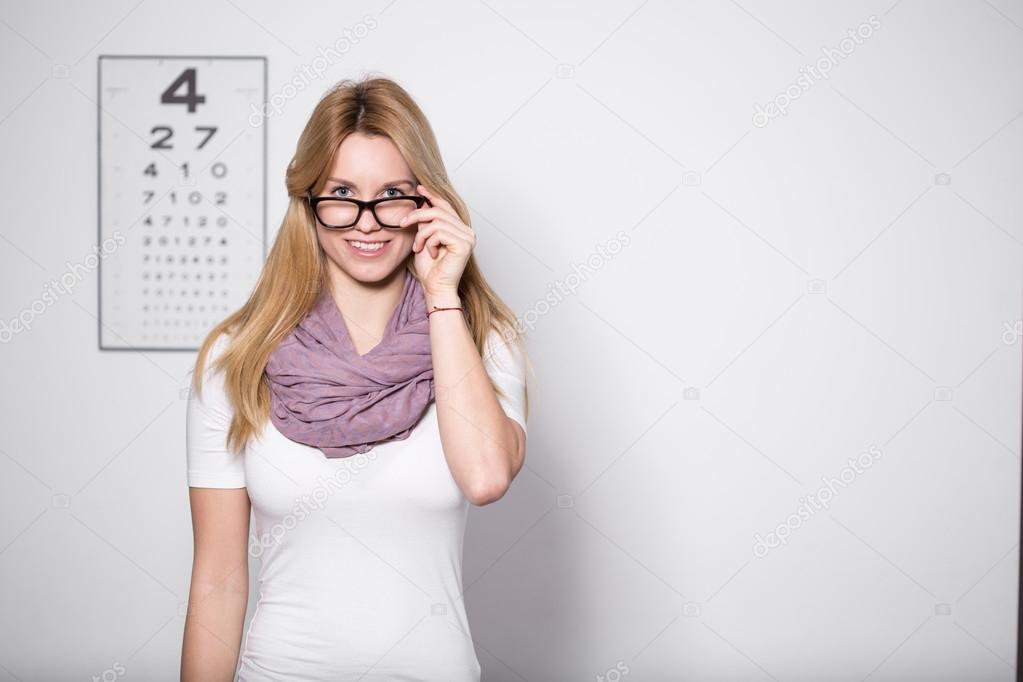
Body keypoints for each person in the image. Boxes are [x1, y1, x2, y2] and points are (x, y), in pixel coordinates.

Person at [180, 75, 531, 681]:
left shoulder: (483, 340)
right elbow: (217, 580)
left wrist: (442, 296)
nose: (366, 222)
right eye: (342, 192)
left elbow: (484, 477)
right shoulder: (236, 358)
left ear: (427, 204)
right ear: (309, 200)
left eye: (392, 193)